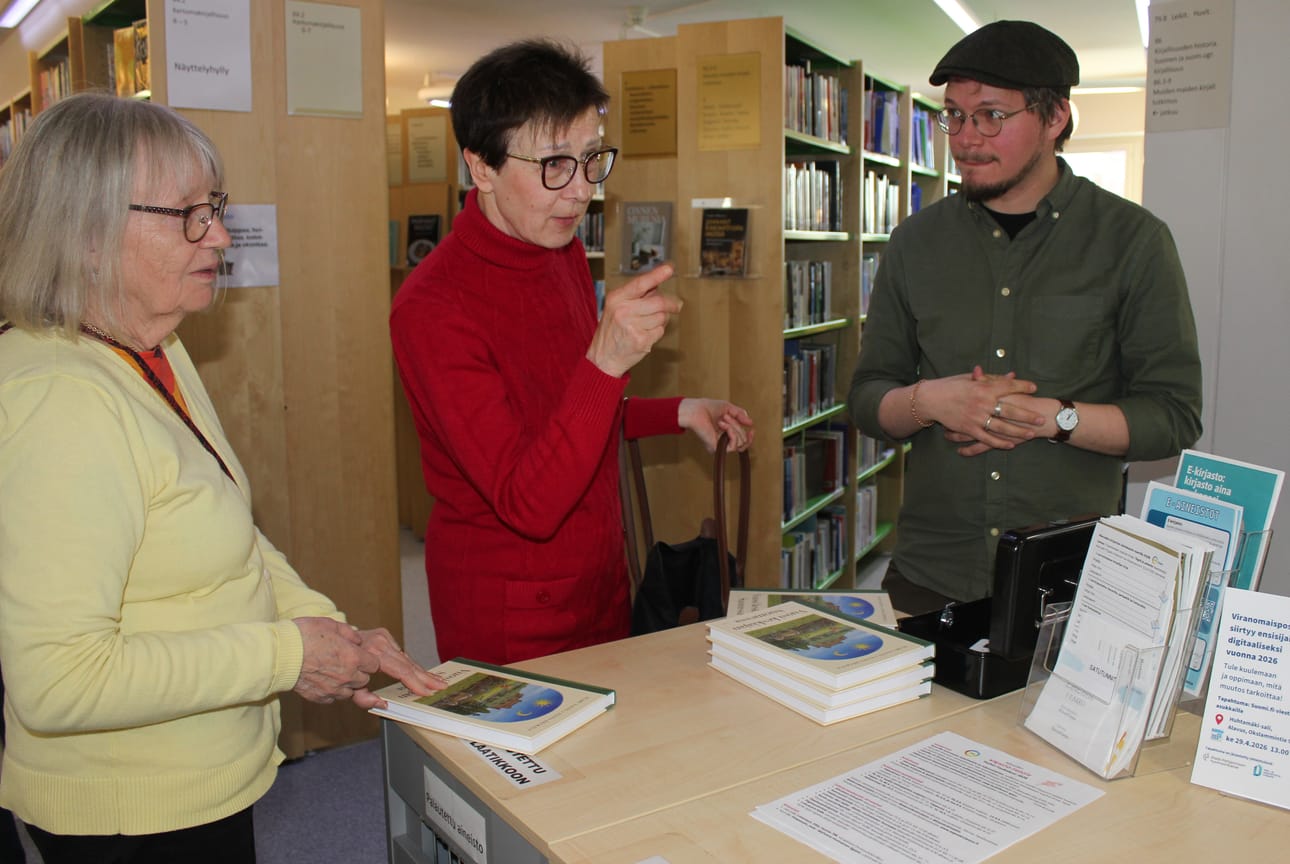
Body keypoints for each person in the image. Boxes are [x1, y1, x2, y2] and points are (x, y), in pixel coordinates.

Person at [0, 93, 445, 864]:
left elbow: (224, 527)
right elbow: (59, 679)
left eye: (216, 208)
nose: (220, 235)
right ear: (88, 235)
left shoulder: (150, 347)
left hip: (189, 782)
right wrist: (285, 655)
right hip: (130, 813)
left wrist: (325, 631)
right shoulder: (60, 403)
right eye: (188, 215)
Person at [390, 39, 754, 666]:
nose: (582, 190)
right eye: (555, 164)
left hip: (598, 578)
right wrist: (606, 361)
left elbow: (564, 415)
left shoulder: (557, 249)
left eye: (591, 159)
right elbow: (526, 502)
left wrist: (675, 411)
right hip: (508, 609)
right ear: (481, 168)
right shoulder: (431, 307)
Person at [849, 20, 1202, 615]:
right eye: (954, 115)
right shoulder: (914, 242)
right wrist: (929, 401)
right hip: (930, 576)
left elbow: (1173, 416)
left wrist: (1052, 419)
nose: (966, 138)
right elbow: (866, 399)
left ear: (1054, 117)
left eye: (991, 115)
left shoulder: (1134, 242)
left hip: (1073, 586)